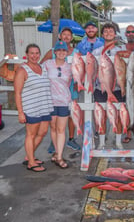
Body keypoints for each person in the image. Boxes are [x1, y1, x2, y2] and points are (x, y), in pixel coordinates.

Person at [41, 27, 81, 153]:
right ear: (60, 36)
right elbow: (41, 66)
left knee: (71, 114)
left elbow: (80, 69)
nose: (66, 37)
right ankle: (54, 143)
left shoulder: (76, 52)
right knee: (54, 118)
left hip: (71, 87)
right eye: (64, 34)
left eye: (69, 35)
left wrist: (78, 81)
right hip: (54, 88)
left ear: (72, 37)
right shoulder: (52, 51)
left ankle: (71, 138)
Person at [14, 44, 53, 172]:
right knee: (31, 134)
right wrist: (20, 113)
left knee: (42, 132)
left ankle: (29, 156)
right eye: (32, 53)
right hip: (31, 108)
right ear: (27, 54)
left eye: (37, 53)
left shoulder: (42, 67)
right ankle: (31, 162)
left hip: (44, 107)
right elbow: (17, 93)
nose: (34, 56)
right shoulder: (22, 70)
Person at [92, 22, 126, 149]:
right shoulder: (96, 51)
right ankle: (101, 142)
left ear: (115, 34)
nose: (108, 33)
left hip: (116, 88)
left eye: (111, 31)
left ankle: (118, 141)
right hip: (100, 87)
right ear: (102, 34)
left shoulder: (120, 51)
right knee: (101, 115)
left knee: (118, 114)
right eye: (105, 31)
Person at [43, 41, 72, 169]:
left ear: (66, 52)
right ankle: (56, 152)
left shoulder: (69, 67)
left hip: (64, 101)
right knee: (53, 128)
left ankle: (59, 156)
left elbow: (72, 81)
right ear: (54, 52)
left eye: (63, 50)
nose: (61, 52)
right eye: (58, 50)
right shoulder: (47, 64)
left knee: (61, 129)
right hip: (50, 100)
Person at [76, 21, 104, 140]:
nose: (90, 30)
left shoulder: (102, 43)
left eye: (92, 28)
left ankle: (98, 129)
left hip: (99, 79)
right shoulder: (80, 44)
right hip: (85, 80)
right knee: (86, 105)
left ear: (96, 30)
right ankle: (88, 131)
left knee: (98, 105)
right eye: (88, 28)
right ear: (85, 31)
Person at [122, 24, 134, 144]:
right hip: (125, 81)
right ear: (125, 34)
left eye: (132, 32)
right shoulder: (122, 47)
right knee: (127, 106)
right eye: (128, 32)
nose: (130, 34)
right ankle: (128, 131)